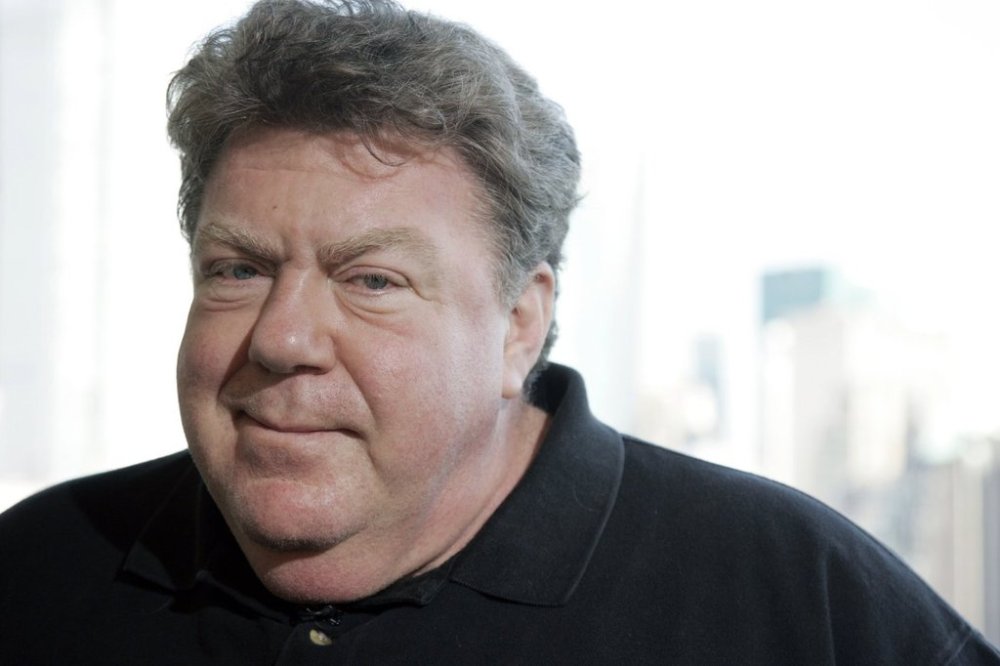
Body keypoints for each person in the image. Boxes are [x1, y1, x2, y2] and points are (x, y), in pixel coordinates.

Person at [0, 1, 997, 663]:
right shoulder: (38, 575)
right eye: (239, 270)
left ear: (521, 325)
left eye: (372, 280)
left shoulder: (796, 600)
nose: (283, 339)